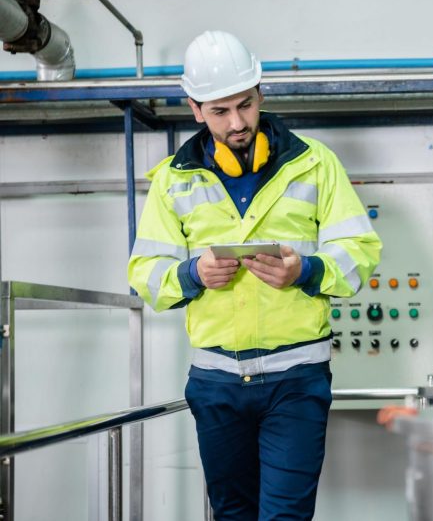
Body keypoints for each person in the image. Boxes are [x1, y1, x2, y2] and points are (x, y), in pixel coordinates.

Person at [128, 30, 381, 520]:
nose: (238, 122)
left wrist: (304, 270)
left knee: (284, 516)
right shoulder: (172, 181)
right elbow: (146, 274)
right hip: (216, 381)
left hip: (297, 378)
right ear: (195, 109)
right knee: (232, 514)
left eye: (245, 105)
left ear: (261, 92)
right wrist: (194, 273)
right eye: (220, 111)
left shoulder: (314, 165)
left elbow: (360, 251)